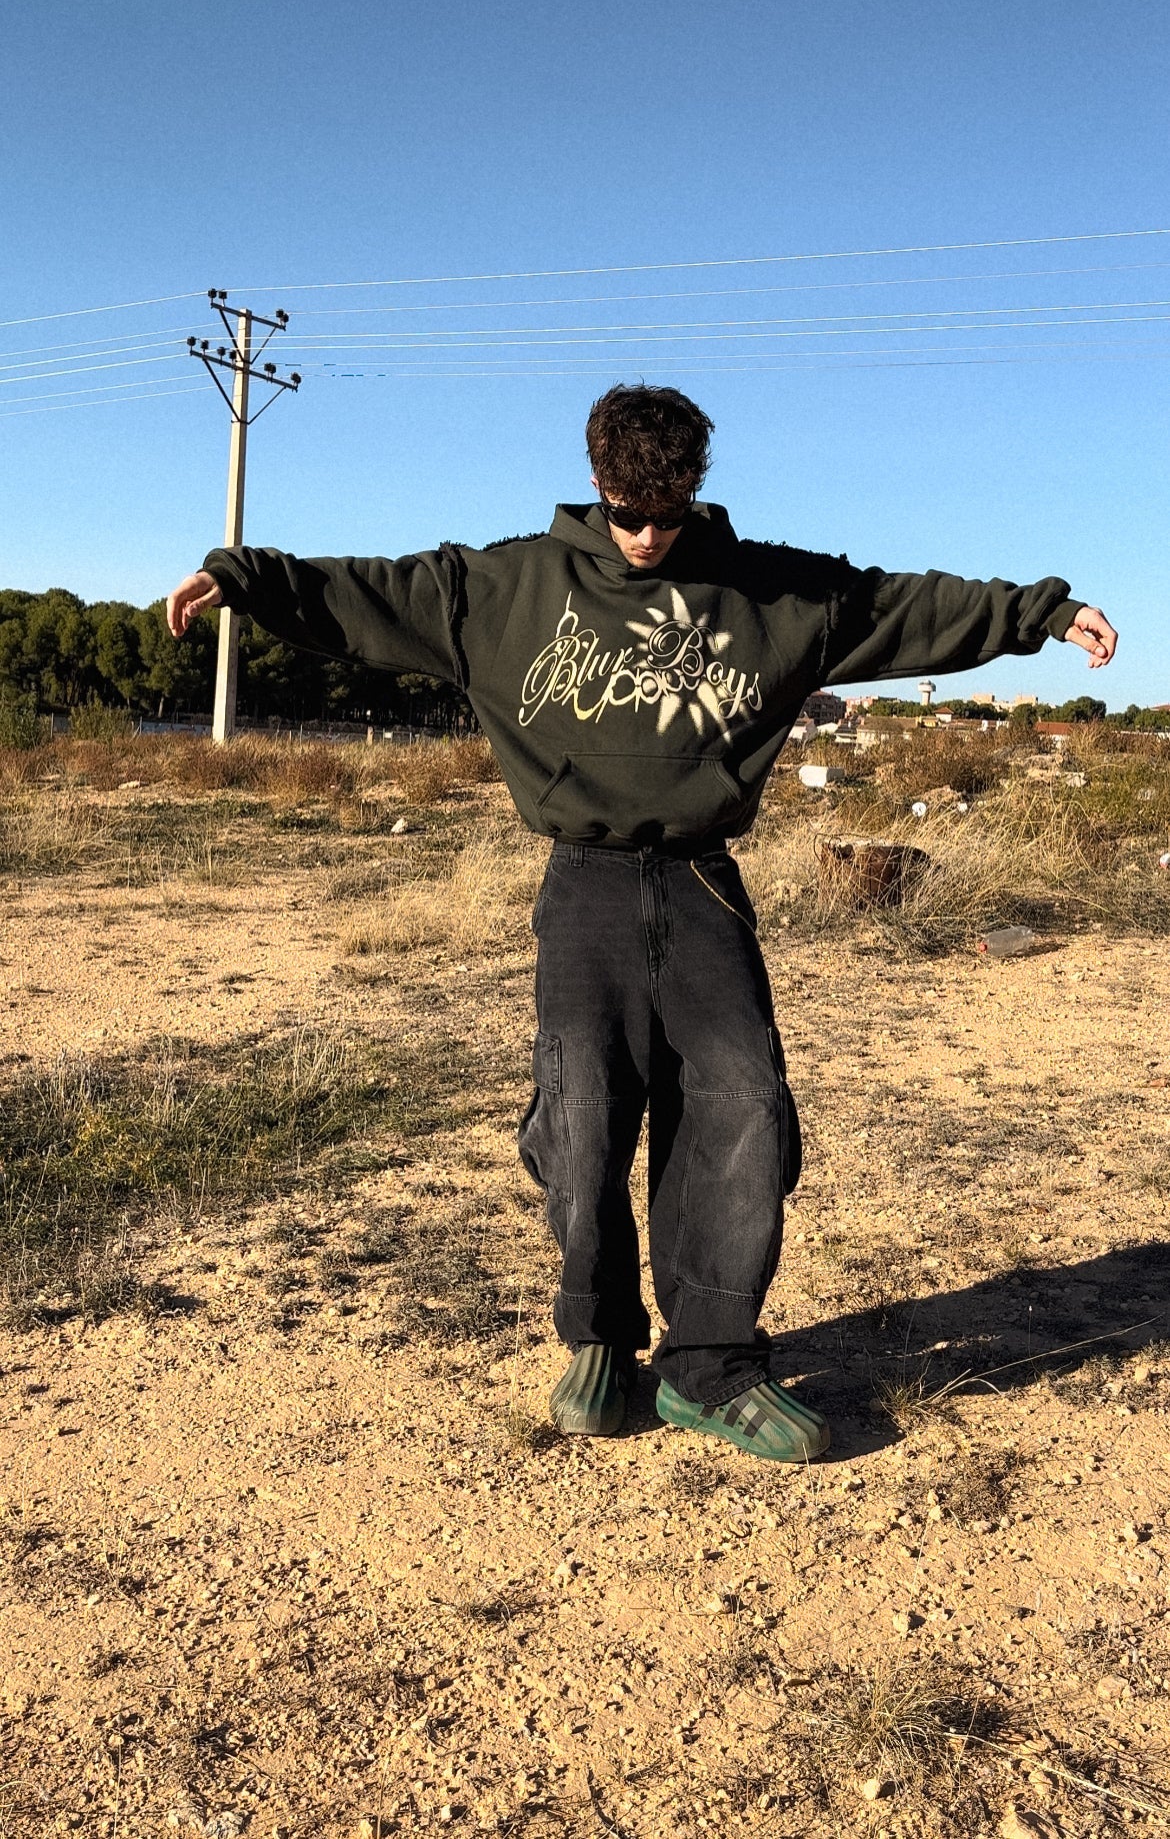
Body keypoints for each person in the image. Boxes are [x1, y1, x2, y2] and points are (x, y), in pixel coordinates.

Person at [167, 384, 1117, 1462]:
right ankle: (602, 1349)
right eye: (629, 513)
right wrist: (244, 576)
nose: (649, 536)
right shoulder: (506, 586)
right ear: (596, 485)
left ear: (695, 492)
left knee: (743, 1108)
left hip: (704, 883)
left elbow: (904, 605)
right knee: (581, 1119)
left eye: (669, 514)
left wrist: (1043, 613)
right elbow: (365, 591)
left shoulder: (769, 589)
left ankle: (711, 1366)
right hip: (584, 884)